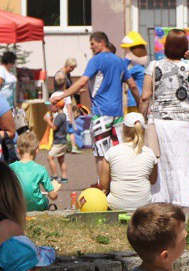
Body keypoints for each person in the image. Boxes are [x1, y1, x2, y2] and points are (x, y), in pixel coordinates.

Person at [139, 29, 189, 208]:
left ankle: (160, 198)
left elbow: (145, 96)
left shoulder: (154, 65)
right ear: (185, 48)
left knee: (160, 161)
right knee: (181, 161)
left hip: (159, 121)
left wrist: (141, 118)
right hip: (182, 121)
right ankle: (183, 199)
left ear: (166, 46)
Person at [51, 32, 140, 172]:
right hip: (118, 114)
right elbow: (133, 86)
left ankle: (102, 187)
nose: (91, 47)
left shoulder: (96, 60)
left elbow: (82, 81)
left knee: (101, 153)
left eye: (92, 44)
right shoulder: (120, 62)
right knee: (118, 152)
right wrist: (141, 104)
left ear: (101, 43)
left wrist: (62, 95)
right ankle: (118, 184)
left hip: (101, 113)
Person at [99, 112, 158, 212]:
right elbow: (153, 180)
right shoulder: (150, 153)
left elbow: (104, 184)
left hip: (116, 205)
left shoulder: (112, 152)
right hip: (143, 206)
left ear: (123, 128)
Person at [10, 132, 58, 212]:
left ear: (17, 150)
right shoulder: (40, 169)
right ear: (37, 150)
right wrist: (54, 194)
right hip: (37, 206)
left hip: (17, 206)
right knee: (45, 200)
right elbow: (52, 196)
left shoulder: (11, 168)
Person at [121, 31, 149, 114]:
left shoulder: (136, 69)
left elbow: (121, 72)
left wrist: (126, 60)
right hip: (139, 100)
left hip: (134, 101)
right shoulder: (142, 68)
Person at [44, 98, 69, 183]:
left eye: (52, 106)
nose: (50, 107)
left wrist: (47, 120)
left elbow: (54, 127)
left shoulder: (59, 116)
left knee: (50, 157)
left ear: (57, 107)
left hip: (59, 142)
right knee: (61, 160)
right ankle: (64, 177)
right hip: (63, 141)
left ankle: (54, 175)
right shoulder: (63, 115)